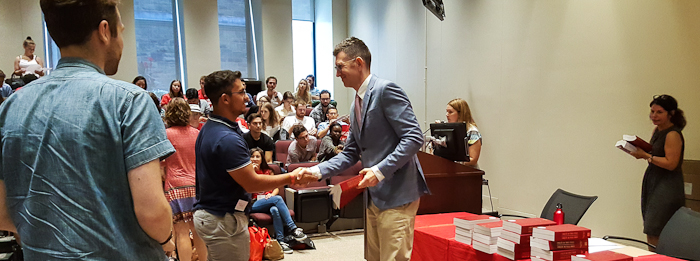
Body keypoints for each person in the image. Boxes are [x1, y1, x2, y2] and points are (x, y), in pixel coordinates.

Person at [0, 1, 176, 259]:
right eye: (122, 31)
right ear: (105, 31)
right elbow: (152, 214)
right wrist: (168, 237)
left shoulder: (11, 107)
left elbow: (3, 213)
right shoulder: (130, 102)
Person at [301, 37, 429, 261]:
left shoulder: (386, 90)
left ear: (358, 62)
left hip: (398, 194)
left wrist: (379, 170)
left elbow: (413, 137)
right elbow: (351, 152)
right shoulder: (355, 104)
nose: (337, 74)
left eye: (340, 67)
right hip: (373, 196)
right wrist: (316, 172)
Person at [193, 70, 317, 261]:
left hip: (215, 216)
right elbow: (252, 183)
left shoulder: (212, 127)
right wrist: (291, 177)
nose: (247, 98)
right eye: (241, 92)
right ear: (225, 99)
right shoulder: (226, 138)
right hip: (223, 220)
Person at [628, 94, 686, 250]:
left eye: (659, 112)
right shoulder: (657, 131)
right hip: (653, 181)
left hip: (667, 186)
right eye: (652, 111)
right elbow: (655, 152)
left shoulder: (673, 134)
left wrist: (646, 156)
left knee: (657, 228)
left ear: (671, 113)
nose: (654, 116)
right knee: (650, 226)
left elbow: (671, 163)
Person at [162, 98, 207, 261]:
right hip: (196, 186)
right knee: (198, 232)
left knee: (181, 232)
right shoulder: (197, 133)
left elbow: (161, 162)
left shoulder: (166, 134)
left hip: (175, 186)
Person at [249, 148, 307, 254]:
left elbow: (276, 188)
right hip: (253, 203)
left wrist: (271, 195)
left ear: (262, 159)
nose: (255, 159)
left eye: (258, 156)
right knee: (278, 199)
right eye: (252, 156)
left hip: (268, 201)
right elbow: (246, 190)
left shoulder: (268, 172)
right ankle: (292, 228)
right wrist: (252, 172)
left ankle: (280, 241)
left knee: (275, 210)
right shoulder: (248, 173)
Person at [445, 98, 482, 168]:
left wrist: (451, 162)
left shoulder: (472, 131)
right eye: (446, 112)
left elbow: (473, 159)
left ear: (460, 114)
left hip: (468, 174)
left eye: (450, 112)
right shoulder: (448, 130)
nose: (447, 115)